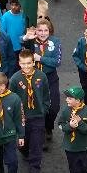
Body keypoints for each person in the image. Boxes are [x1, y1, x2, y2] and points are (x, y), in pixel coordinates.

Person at [22, 18, 63, 151]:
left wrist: (41, 58)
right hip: (34, 78)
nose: (43, 33)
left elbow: (57, 61)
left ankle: (48, 126)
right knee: (38, 107)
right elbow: (19, 42)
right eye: (40, 30)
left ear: (49, 31)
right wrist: (26, 37)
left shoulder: (55, 42)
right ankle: (42, 134)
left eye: (46, 30)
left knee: (54, 107)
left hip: (50, 78)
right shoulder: (31, 41)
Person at [11, 48, 49, 173]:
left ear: (34, 62)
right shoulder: (15, 79)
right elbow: (12, 98)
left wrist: (44, 109)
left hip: (38, 116)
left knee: (37, 144)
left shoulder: (41, 76)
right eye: (23, 63)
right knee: (23, 143)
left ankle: (35, 169)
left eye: (29, 63)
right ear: (19, 63)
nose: (26, 66)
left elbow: (45, 95)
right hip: (22, 117)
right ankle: (25, 152)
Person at [0, 0, 27, 65]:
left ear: (20, 5)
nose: (13, 7)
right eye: (12, 5)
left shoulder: (24, 15)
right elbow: (2, 32)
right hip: (10, 47)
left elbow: (26, 30)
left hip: (21, 46)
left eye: (16, 5)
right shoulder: (5, 16)